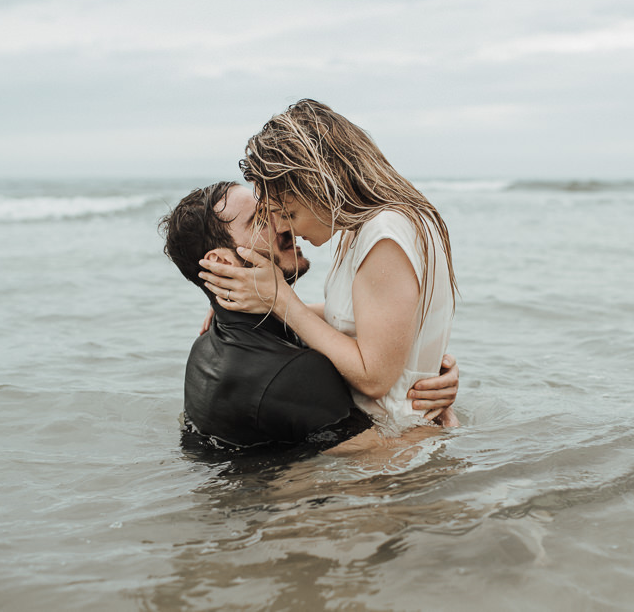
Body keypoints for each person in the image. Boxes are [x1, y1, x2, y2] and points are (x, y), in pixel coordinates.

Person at [199, 99, 459, 435]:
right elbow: (362, 316)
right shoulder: (372, 226)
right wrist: (257, 304)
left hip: (388, 457)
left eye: (288, 213)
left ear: (321, 186)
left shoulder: (385, 234)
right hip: (383, 442)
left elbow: (374, 377)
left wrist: (281, 301)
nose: (281, 228)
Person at [159, 181, 459, 449]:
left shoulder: (206, 346)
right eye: (261, 220)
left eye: (273, 210)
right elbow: (387, 456)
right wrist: (438, 414)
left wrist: (424, 366)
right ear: (222, 262)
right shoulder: (295, 373)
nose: (283, 224)